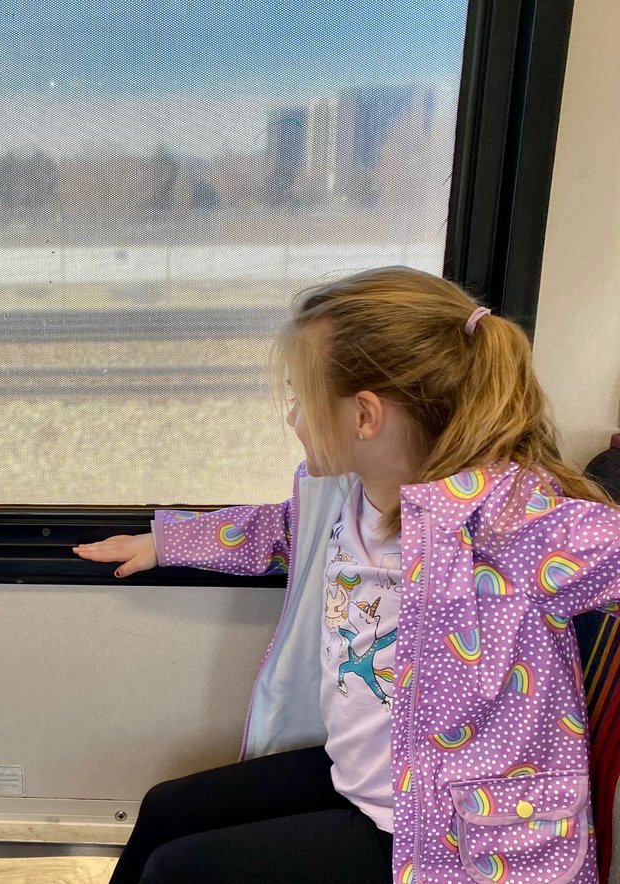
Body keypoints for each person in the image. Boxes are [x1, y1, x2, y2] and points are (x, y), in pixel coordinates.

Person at [74, 267, 617, 883]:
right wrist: (167, 542)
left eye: (301, 400)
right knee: (166, 810)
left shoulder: (512, 521)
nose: (293, 419)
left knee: (181, 871)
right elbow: (279, 531)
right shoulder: (348, 499)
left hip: (449, 837)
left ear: (364, 415)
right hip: (369, 780)